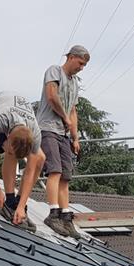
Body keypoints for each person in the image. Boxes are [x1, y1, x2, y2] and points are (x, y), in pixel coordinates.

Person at [36, 44, 90, 239]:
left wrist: (75, 137)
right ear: (71, 57)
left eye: (84, 65)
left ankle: (66, 216)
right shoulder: (54, 71)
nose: (81, 67)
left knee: (66, 175)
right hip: (48, 128)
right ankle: (53, 213)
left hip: (64, 135)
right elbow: (51, 96)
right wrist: (64, 118)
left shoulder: (75, 83)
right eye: (80, 63)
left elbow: (73, 111)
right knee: (55, 170)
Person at [0, 91, 46, 232]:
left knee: (40, 159)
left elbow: (29, 171)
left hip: (21, 118)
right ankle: (9, 202)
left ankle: (17, 204)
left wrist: (22, 206)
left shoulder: (36, 134)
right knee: (11, 155)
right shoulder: (0, 120)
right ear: (7, 136)